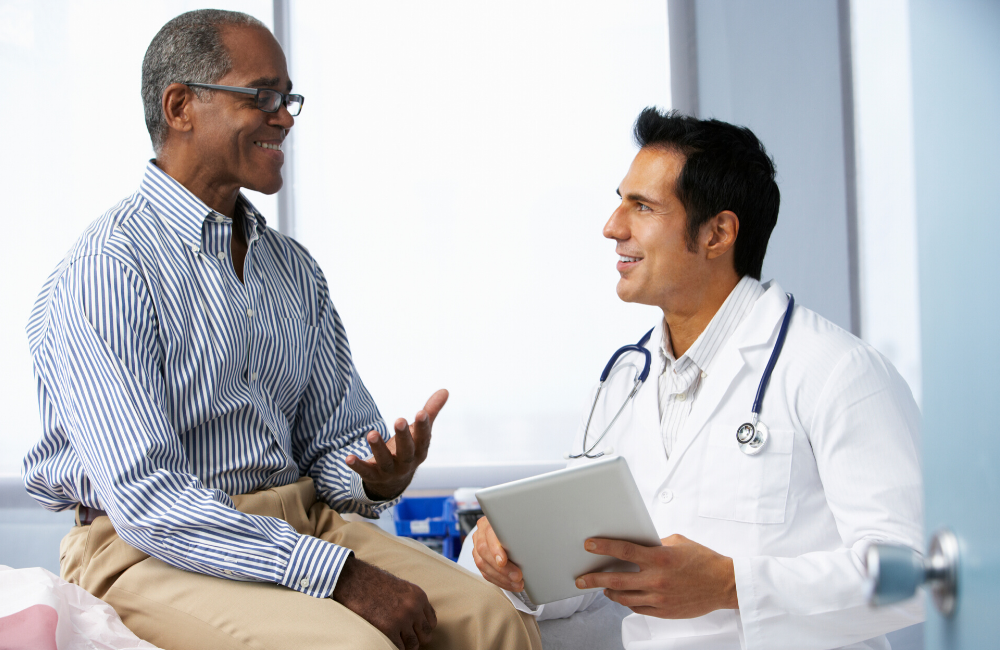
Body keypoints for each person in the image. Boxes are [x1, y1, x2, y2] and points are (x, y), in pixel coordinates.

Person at [21, 9, 540, 650]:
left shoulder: (292, 270)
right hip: (147, 547)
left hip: (304, 523)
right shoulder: (106, 270)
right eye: (263, 97)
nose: (287, 117)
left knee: (497, 622)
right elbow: (149, 500)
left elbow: (334, 446)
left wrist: (375, 478)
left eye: (288, 98)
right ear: (180, 105)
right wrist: (339, 576)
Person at [465, 108, 923, 649]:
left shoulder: (836, 372)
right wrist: (518, 558)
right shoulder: (624, 383)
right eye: (620, 201)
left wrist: (732, 586)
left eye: (642, 206)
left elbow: (915, 576)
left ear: (717, 234)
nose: (613, 227)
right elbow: (596, 570)